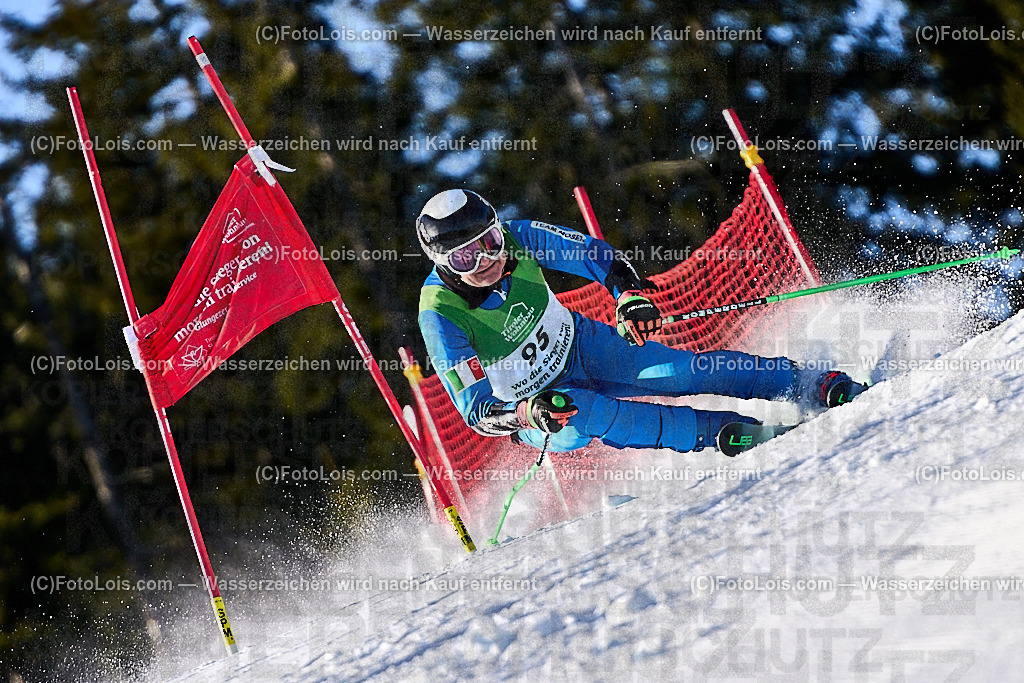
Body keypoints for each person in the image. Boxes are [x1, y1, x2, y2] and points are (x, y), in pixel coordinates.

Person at [416, 189, 859, 454]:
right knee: (592, 413)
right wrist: (525, 412)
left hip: (584, 346)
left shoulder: (519, 237)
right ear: (442, 262)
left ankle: (808, 384)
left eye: (489, 240)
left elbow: (594, 255)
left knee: (682, 371)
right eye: (465, 256)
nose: (487, 259)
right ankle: (732, 433)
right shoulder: (439, 313)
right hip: (542, 406)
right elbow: (474, 412)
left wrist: (628, 295)